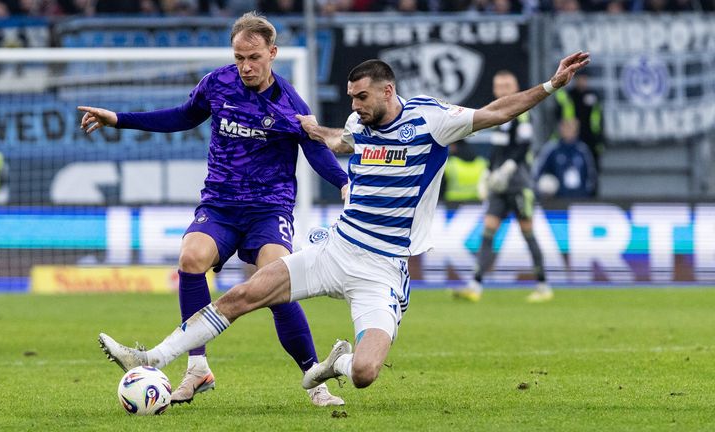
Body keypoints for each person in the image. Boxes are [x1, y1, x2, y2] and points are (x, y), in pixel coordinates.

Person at [97, 51, 590, 396]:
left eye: (361, 98)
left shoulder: (432, 120)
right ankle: (154, 359)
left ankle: (336, 363)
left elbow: (495, 111)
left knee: (365, 374)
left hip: (382, 269)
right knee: (243, 295)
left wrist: (549, 86)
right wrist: (321, 131)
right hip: (335, 250)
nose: (354, 107)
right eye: (351, 99)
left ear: (387, 91)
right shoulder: (357, 124)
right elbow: (343, 143)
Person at [79, 12, 349, 407]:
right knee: (191, 258)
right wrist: (119, 119)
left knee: (276, 280)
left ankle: (315, 379)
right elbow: (181, 117)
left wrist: (343, 183)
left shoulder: (291, 105)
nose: (246, 66)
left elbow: (317, 151)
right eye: (239, 57)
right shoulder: (217, 84)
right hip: (220, 205)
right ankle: (197, 367)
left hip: (268, 209)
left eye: (254, 57)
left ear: (272, 53)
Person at [453, 70, 552, 303]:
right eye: (499, 86)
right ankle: (475, 284)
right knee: (488, 232)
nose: (503, 89)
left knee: (528, 232)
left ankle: (543, 285)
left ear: (515, 86)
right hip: (499, 185)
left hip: (518, 184)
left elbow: (524, 146)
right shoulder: (499, 114)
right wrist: (487, 172)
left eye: (508, 85)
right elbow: (497, 149)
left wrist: (507, 168)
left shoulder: (522, 113)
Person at [534, 118, 597, 199]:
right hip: (557, 202)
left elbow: (591, 175)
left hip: (581, 200)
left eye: (572, 126)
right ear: (560, 128)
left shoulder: (583, 150)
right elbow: (537, 173)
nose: (569, 129)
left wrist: (587, 193)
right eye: (566, 126)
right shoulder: (551, 149)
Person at [554, 74, 603, 173]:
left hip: (591, 139)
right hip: (572, 138)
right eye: (579, 79)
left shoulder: (594, 96)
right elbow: (559, 115)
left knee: (592, 169)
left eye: (584, 79)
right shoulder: (569, 96)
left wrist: (600, 140)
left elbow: (599, 119)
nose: (582, 82)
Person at [441, 140, 488, 205]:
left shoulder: (449, 165)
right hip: (476, 206)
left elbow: (439, 191)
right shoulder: (483, 163)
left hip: (451, 208)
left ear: (454, 146)